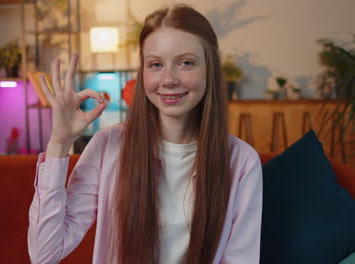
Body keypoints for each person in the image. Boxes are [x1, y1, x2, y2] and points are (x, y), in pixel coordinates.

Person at [28, 4, 262, 264]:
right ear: (143, 71)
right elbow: (44, 255)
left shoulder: (242, 162)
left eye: (186, 63)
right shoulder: (108, 146)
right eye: (155, 64)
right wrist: (59, 144)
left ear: (209, 68)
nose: (168, 79)